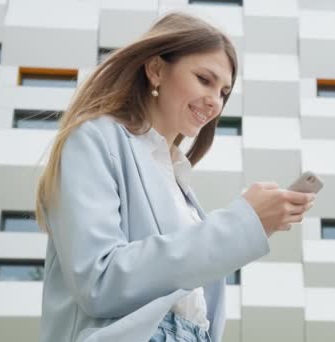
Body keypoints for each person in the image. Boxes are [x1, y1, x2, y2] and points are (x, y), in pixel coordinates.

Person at [35, 12, 315, 342]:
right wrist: (242, 223)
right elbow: (100, 279)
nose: (215, 101)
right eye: (204, 79)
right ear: (155, 70)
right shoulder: (95, 139)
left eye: (224, 92)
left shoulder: (180, 185)